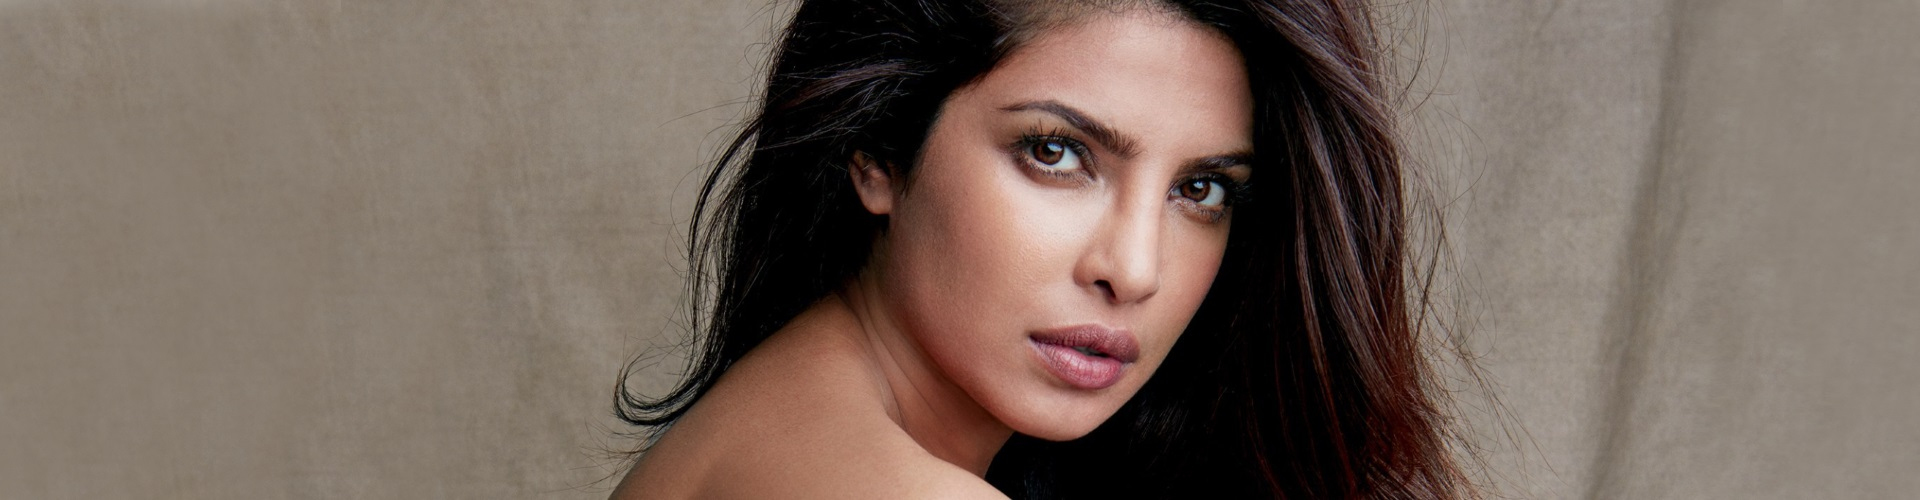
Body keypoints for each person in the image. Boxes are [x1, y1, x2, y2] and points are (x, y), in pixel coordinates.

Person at [612, 0, 1471, 497]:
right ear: (876, 150)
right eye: (1056, 153)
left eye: (1201, 190)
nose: (1133, 270)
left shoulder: (782, 420)